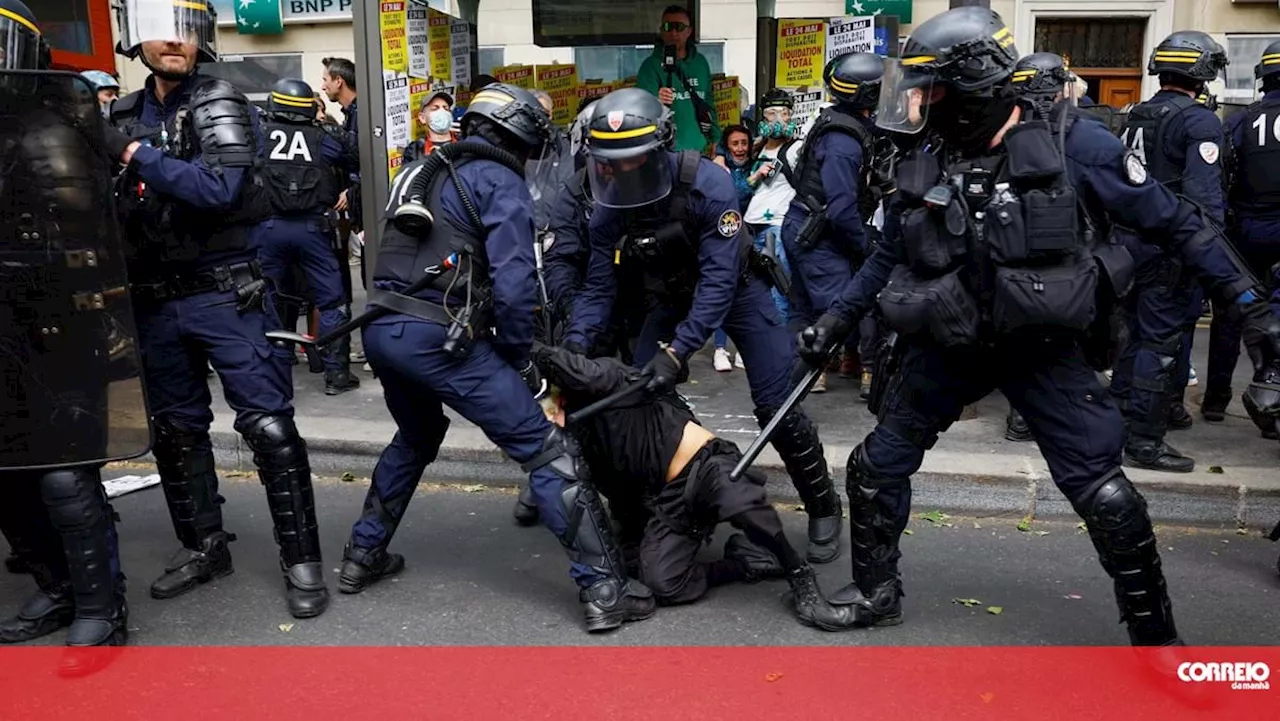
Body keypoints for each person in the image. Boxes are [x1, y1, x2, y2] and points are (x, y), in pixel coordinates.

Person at [796, 6, 1280, 644]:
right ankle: (876, 593)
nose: (920, 102)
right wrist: (835, 321)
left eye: (932, 88)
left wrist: (1256, 315)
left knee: (1102, 492)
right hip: (948, 340)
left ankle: (1156, 637)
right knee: (873, 467)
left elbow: (1180, 222)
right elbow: (889, 252)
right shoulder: (930, 152)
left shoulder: (1073, 143)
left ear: (972, 87)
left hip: (1039, 347)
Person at [338, 83, 656, 633]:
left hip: (381, 331)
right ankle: (604, 588)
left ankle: (361, 555)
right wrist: (517, 358)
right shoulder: (498, 179)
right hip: (438, 341)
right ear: (523, 135)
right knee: (547, 450)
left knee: (415, 436)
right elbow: (514, 287)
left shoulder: (422, 171)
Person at [103, 0, 330, 619]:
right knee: (175, 432)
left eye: (185, 32)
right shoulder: (121, 112)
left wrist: (133, 155)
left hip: (225, 293)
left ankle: (301, 558)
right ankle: (204, 546)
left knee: (269, 428)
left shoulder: (218, 99)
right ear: (139, 41)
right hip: (153, 298)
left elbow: (218, 188)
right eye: (161, 32)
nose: (173, 43)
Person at [566, 87, 845, 565]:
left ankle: (822, 502)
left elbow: (718, 282)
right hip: (668, 298)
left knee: (775, 401)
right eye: (612, 164)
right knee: (636, 397)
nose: (622, 173)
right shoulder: (609, 202)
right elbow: (597, 289)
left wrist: (677, 353)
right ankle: (658, 507)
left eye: (633, 161)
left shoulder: (707, 183)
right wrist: (572, 350)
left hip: (737, 292)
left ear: (660, 149)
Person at [530, 344, 865, 629]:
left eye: (550, 401)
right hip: (662, 498)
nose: (549, 413)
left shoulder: (601, 378)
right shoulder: (563, 436)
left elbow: (586, 370)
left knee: (741, 500)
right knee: (661, 582)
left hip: (703, 466)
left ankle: (799, 574)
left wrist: (530, 349)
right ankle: (747, 561)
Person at [0, 0, 138, 668]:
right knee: (7, 473)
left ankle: (99, 606)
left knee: (63, 475)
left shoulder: (58, 128)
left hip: (63, 322)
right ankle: (55, 587)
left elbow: (85, 224)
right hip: (3, 329)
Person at [1109, 31, 1229, 473]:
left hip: (1128, 243)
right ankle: (1143, 441)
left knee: (1131, 337)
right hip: (1169, 247)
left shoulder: (1135, 114)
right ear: (1203, 72)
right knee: (1159, 344)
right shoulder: (1200, 122)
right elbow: (1203, 200)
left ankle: (1120, 422)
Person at [781, 52, 888, 396]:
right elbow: (841, 209)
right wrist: (865, 247)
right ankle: (783, 397)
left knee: (803, 314)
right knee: (835, 317)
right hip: (820, 236)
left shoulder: (842, 123)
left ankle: (779, 388)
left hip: (806, 227)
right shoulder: (844, 140)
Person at [252, 78, 362, 395]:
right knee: (332, 302)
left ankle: (274, 374)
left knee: (268, 298)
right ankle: (337, 375)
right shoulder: (323, 137)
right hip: (313, 229)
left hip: (268, 229)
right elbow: (354, 157)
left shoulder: (258, 134)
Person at [1001, 51, 1076, 443]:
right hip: (1059, 249)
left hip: (1014, 249)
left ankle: (1021, 414)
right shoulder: (1075, 131)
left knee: (1022, 331)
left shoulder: (1007, 129)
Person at [1206, 39, 1280, 430]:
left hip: (1246, 231)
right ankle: (1271, 407)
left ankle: (1217, 398)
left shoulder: (1239, 120)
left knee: (1231, 312)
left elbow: (1221, 175)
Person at [743, 89, 799, 326]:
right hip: (752, 223)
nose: (778, 119)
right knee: (755, 288)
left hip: (776, 223)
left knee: (778, 288)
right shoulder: (758, 148)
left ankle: (777, 345)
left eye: (784, 113)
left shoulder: (797, 149)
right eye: (772, 113)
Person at [635, 5, 719, 153]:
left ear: (689, 31)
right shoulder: (650, 66)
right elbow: (641, 111)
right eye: (668, 27)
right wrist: (656, 100)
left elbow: (709, 103)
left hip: (698, 149)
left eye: (679, 27)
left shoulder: (700, 62)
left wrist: (716, 139)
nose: (673, 33)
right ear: (661, 30)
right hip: (664, 151)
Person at [403, 88, 455, 163]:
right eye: (435, 108)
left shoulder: (464, 143)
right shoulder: (415, 150)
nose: (442, 112)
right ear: (422, 118)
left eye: (446, 108)